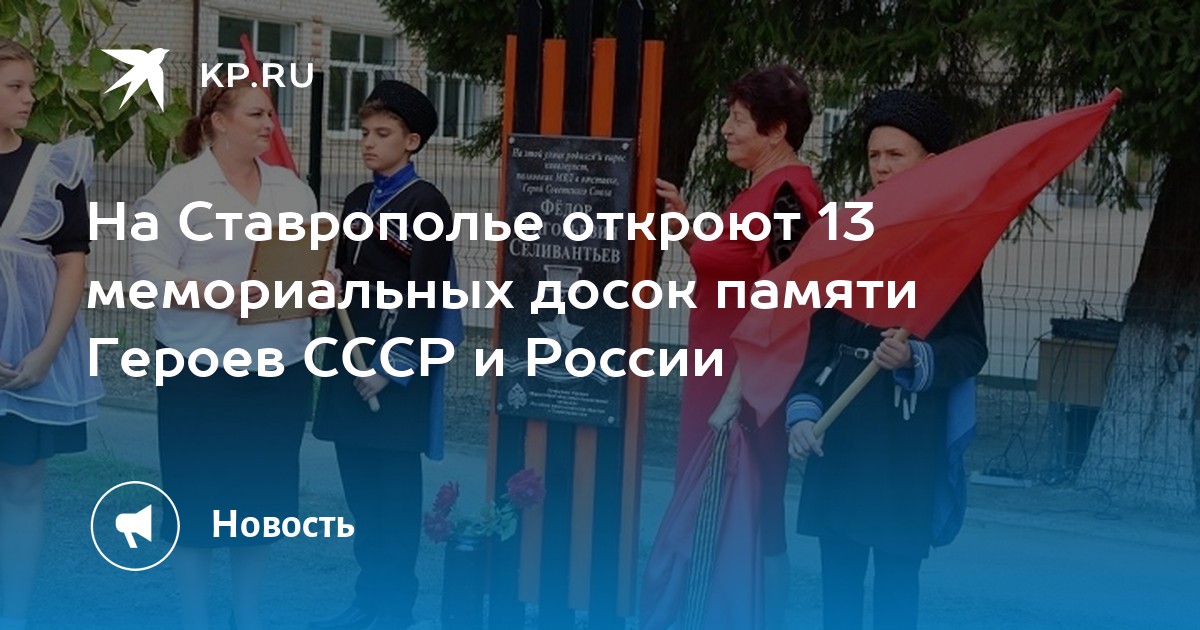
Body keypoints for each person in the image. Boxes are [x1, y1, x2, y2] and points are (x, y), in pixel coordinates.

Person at [785, 89, 988, 630]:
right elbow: (819, 337)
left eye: (896, 154)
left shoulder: (952, 245)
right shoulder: (847, 231)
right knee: (838, 579)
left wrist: (917, 356)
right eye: (874, 155)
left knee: (897, 583)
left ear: (930, 161)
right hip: (841, 422)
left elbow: (970, 346)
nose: (881, 166)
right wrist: (804, 412)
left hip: (904, 435)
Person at [130, 79, 319, 630]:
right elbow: (147, 274)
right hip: (201, 374)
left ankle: (247, 616)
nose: (269, 124)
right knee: (197, 503)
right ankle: (195, 618)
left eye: (272, 115)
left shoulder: (292, 188)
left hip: (279, 371)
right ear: (219, 121)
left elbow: (310, 264)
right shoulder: (179, 188)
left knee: (260, 506)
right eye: (256, 114)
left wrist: (323, 285)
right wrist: (222, 295)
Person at [642, 64, 825, 630]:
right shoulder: (764, 190)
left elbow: (786, 301)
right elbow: (738, 267)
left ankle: (746, 614)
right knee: (723, 502)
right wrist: (686, 226)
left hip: (744, 385)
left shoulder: (788, 196)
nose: (725, 128)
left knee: (749, 505)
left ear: (777, 130)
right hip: (722, 374)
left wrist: (737, 392)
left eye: (740, 119)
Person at [309, 80, 460, 630]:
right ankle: (368, 598)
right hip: (349, 359)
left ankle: (396, 607)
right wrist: (332, 283)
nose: (368, 143)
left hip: (393, 373)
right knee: (362, 498)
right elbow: (351, 276)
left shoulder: (427, 203)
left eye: (382, 133)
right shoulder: (357, 200)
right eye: (365, 133)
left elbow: (427, 295)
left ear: (412, 141)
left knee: (393, 499)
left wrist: (390, 369)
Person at [0, 37, 103, 630]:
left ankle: (13, 616)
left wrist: (45, 351)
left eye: (30, 85)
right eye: (14, 86)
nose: (28, 98)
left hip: (26, 359)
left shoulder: (55, 167)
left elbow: (71, 265)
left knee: (21, 487)